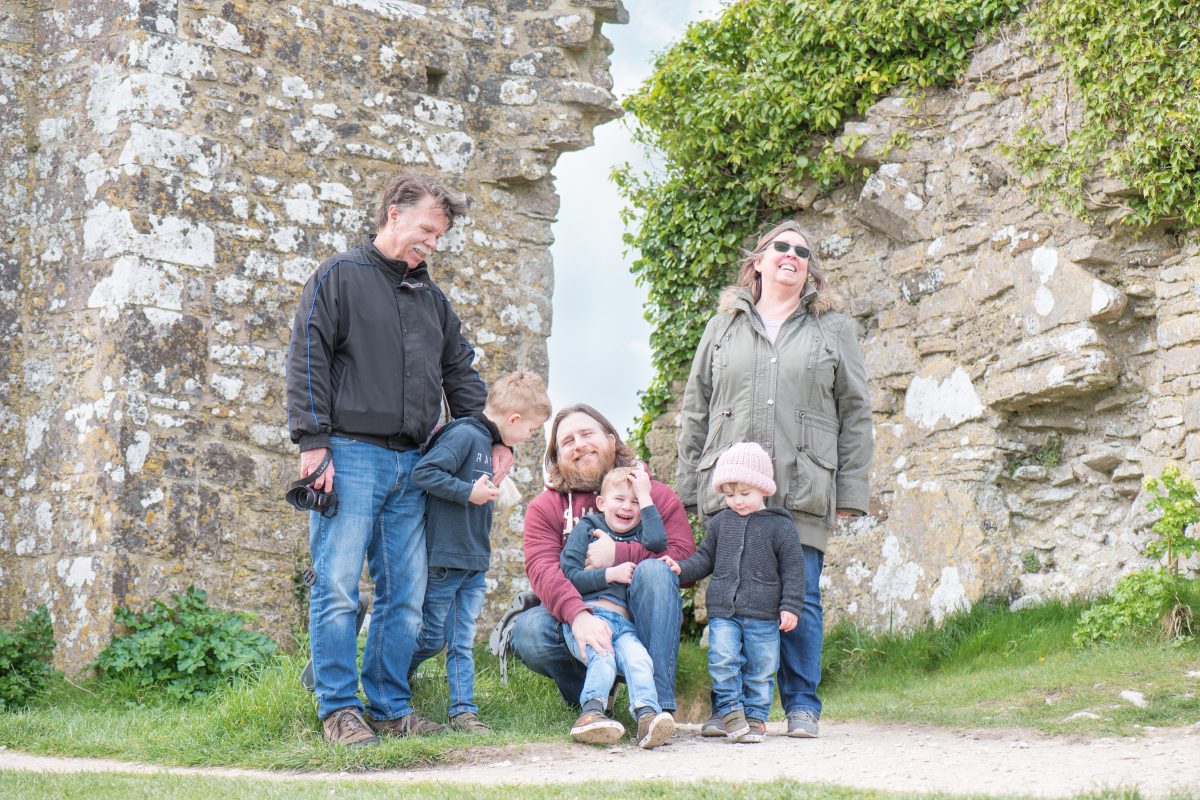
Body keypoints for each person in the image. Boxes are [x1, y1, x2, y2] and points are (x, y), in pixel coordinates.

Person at [285, 172, 513, 747]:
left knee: (405, 596)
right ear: (393, 214)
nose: (431, 243)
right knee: (337, 586)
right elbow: (306, 357)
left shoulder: (434, 301)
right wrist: (313, 444)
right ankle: (338, 708)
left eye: (438, 236)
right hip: (349, 454)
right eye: (426, 230)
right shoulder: (338, 277)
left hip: (415, 465)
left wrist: (496, 440)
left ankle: (388, 706)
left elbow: (462, 377)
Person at [676, 220, 873, 739]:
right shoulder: (723, 326)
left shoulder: (833, 329)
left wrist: (850, 490)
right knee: (734, 593)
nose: (792, 254)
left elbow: (855, 411)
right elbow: (696, 408)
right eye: (780, 247)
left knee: (801, 594)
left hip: (804, 481)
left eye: (802, 251)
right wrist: (686, 490)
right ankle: (732, 708)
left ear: (810, 268)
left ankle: (802, 705)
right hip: (732, 484)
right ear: (758, 261)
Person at [509, 404, 696, 713]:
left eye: (586, 434)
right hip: (582, 613)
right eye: (567, 441)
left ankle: (659, 707)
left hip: (643, 615)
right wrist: (579, 616)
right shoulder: (545, 507)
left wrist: (619, 554)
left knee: (655, 572)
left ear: (611, 441)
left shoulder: (654, 495)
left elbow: (684, 562)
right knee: (529, 630)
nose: (579, 444)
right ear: (557, 457)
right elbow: (543, 571)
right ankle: (594, 698)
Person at [407, 371, 552, 734]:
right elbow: (424, 473)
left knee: (461, 640)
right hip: (444, 557)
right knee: (430, 637)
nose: (531, 436)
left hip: (473, 560)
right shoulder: (466, 435)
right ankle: (386, 683)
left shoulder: (489, 445)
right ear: (514, 420)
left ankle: (463, 712)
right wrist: (467, 493)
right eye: (532, 429)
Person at [660, 443, 803, 744]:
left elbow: (793, 570)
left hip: (764, 614)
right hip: (724, 611)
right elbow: (703, 559)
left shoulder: (780, 526)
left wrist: (790, 606)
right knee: (722, 660)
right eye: (729, 494)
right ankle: (731, 712)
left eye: (744, 493)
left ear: (763, 489)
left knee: (762, 669)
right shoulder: (720, 523)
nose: (736, 501)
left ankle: (755, 719)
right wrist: (680, 569)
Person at [559, 465, 674, 748]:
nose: (628, 507)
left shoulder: (640, 535)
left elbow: (659, 542)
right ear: (601, 503)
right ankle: (591, 713)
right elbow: (569, 575)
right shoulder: (588, 528)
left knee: (639, 660)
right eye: (619, 499)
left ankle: (647, 716)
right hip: (592, 618)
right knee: (603, 657)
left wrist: (646, 496)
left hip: (624, 626)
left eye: (635, 502)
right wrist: (609, 574)